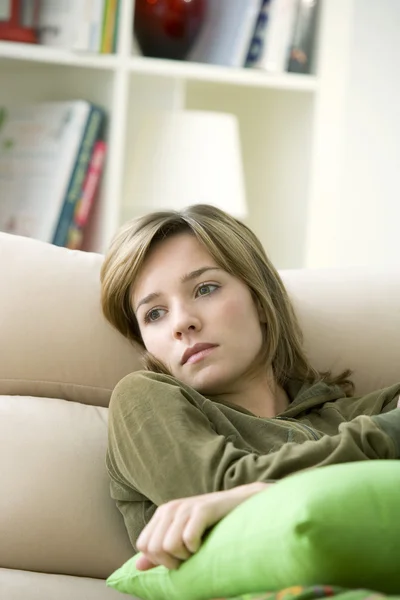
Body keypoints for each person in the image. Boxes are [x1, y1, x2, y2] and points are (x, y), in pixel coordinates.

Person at [100, 204, 400, 572]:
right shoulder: (142, 399)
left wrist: (257, 491)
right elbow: (216, 493)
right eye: (154, 314)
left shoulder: (363, 412)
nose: (182, 322)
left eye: (205, 288)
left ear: (259, 299)